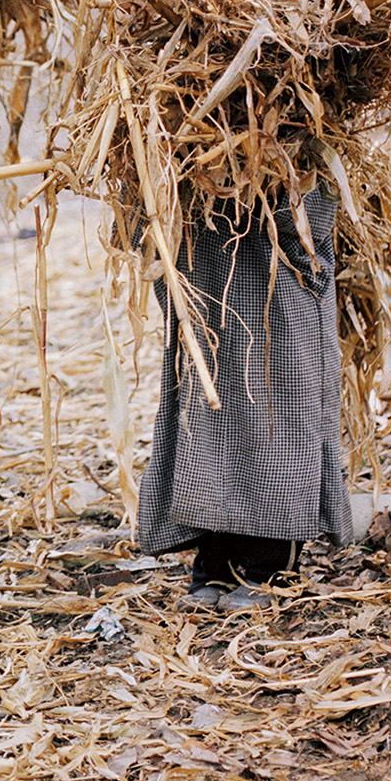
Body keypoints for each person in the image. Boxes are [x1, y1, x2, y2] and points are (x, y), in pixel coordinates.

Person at [137, 186, 353, 611]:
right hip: (201, 254)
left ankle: (269, 568)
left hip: (274, 262)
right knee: (208, 421)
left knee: (278, 411)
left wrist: (264, 181)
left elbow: (311, 209)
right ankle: (215, 560)